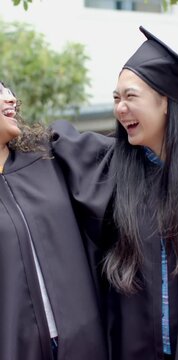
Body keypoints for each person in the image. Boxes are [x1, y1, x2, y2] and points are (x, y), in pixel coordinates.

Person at [51, 26, 178, 360]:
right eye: (116, 98)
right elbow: (54, 147)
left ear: (164, 101)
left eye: (130, 96)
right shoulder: (113, 168)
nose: (120, 109)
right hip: (129, 347)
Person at [0, 80, 113, 360]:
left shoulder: (49, 155)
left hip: (83, 342)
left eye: (9, 91)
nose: (11, 98)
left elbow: (128, 159)